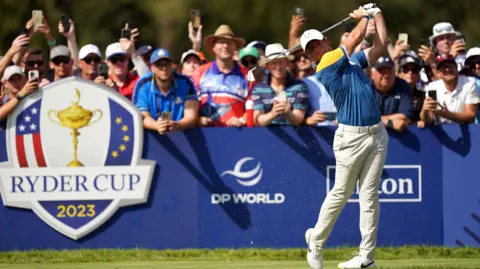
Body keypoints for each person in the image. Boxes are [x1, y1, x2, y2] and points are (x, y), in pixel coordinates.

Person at [300, 4, 388, 269]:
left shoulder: (350, 61)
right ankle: (316, 242)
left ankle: (366, 257)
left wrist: (377, 13)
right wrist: (363, 17)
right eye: (309, 49)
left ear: (324, 41)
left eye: (316, 44)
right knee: (341, 192)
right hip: (351, 137)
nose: (314, 50)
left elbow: (381, 47)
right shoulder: (324, 65)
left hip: (377, 134)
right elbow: (352, 40)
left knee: (370, 195)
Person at [191, 24, 250, 127]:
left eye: (229, 42)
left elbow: (254, 106)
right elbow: (189, 103)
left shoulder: (247, 75)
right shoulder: (199, 73)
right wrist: (197, 119)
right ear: (213, 47)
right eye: (221, 42)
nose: (225, 46)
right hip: (205, 135)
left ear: (235, 47)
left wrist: (242, 119)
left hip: (237, 135)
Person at [133, 48, 199, 134]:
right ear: (152, 68)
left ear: (172, 65)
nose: (164, 68)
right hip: (151, 137)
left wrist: (177, 125)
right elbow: (142, 116)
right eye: (159, 64)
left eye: (167, 64)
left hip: (181, 134)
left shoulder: (185, 83)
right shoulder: (143, 85)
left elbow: (192, 116)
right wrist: (156, 125)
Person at [251, 43, 309, 126]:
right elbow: (258, 120)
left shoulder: (299, 86)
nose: (278, 67)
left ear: (287, 63)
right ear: (267, 66)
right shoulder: (258, 88)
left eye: (281, 62)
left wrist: (288, 113)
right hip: (266, 136)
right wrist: (273, 113)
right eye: (274, 63)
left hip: (295, 136)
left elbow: (298, 120)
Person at [420, 54, 479, 125]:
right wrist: (424, 111)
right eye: (443, 67)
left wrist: (446, 114)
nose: (447, 69)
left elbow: (470, 116)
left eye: (450, 66)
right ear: (438, 73)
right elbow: (429, 120)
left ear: (457, 69)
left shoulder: (469, 83)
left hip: (465, 130)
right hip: (442, 131)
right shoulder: (432, 87)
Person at [371, 56, 415, 132]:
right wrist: (390, 123)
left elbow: (405, 117)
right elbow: (360, 118)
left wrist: (375, 120)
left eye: (389, 70)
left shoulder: (403, 87)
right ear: (373, 75)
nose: (386, 75)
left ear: (395, 73)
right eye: (382, 71)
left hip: (397, 140)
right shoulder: (364, 88)